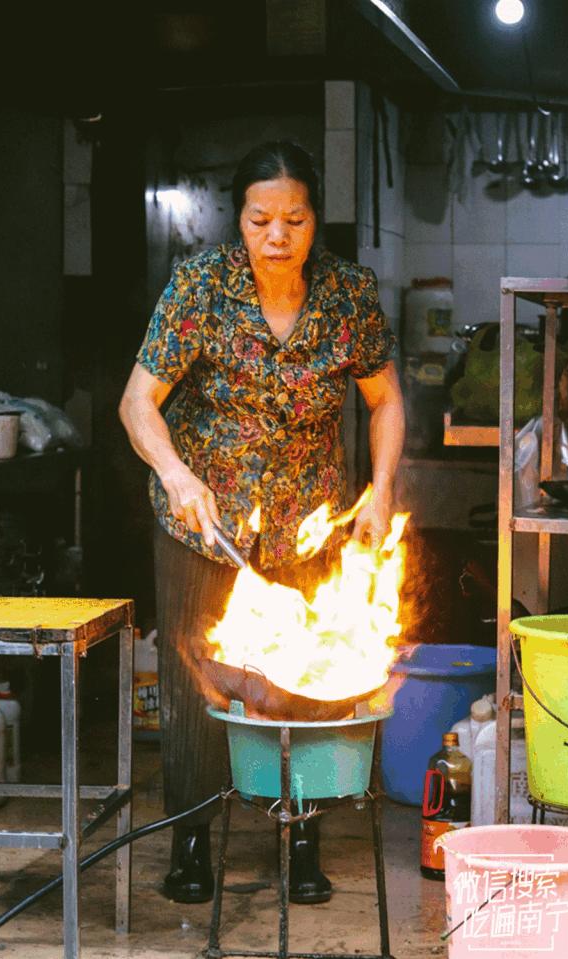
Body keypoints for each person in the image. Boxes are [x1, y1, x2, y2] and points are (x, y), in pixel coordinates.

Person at [119, 141, 405, 905]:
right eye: (259, 219)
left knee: (302, 682)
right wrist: (175, 473)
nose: (277, 236)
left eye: (295, 219)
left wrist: (381, 490)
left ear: (316, 219)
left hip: (307, 524)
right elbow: (138, 402)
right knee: (195, 683)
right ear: (238, 218)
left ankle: (301, 840)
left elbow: (385, 399)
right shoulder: (201, 286)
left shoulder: (348, 293)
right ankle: (190, 839)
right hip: (202, 522)